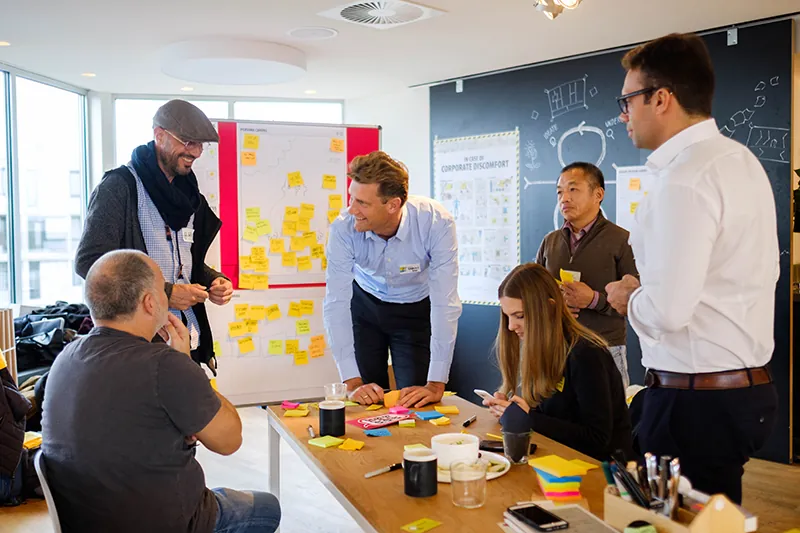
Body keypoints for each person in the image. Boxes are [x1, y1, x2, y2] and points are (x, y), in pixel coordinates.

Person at [605, 33, 779, 504]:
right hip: (741, 389)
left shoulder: (684, 178)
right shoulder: (738, 161)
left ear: (661, 98)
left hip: (697, 402)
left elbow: (668, 312)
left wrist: (628, 296)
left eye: (628, 100)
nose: (623, 114)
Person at [42, 250, 281, 533]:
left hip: (87, 517)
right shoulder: (164, 365)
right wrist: (189, 366)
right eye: (163, 291)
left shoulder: (66, 359)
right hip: (165, 521)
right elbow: (229, 440)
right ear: (149, 302)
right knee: (267, 507)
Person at [75, 99, 232, 374]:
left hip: (187, 342)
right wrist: (165, 293)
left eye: (200, 145)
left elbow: (185, 266)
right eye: (187, 142)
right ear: (159, 135)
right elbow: (90, 263)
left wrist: (213, 280)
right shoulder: (119, 187)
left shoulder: (190, 197)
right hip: (140, 349)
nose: (195, 152)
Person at [324, 151, 462, 408]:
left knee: (415, 399)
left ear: (393, 205)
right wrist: (351, 383)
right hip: (364, 307)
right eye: (352, 198)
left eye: (362, 203)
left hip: (415, 310)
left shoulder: (436, 222)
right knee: (368, 400)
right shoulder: (344, 228)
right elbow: (336, 303)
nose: (352, 209)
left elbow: (446, 302)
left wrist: (437, 382)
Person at [483, 263, 633, 461]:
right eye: (507, 316)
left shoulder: (587, 355)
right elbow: (553, 418)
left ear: (550, 307)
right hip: (560, 458)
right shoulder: (543, 349)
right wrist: (515, 412)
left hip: (600, 471)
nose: (511, 326)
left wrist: (529, 417)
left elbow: (596, 439)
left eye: (519, 316)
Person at [535, 162, 638, 389]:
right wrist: (553, 303)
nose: (564, 198)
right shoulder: (550, 241)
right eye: (560, 192)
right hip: (557, 347)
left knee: (609, 421)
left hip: (604, 348)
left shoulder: (623, 240)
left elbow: (639, 301)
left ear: (598, 194)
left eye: (573, 189)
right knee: (556, 420)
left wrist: (593, 299)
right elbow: (535, 292)